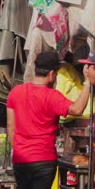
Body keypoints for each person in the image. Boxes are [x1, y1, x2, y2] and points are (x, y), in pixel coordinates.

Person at [7, 51, 92, 189]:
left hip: (20, 159)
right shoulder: (52, 96)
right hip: (44, 159)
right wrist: (87, 82)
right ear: (52, 74)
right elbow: (77, 110)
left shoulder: (16, 92)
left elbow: (11, 126)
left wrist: (18, 150)